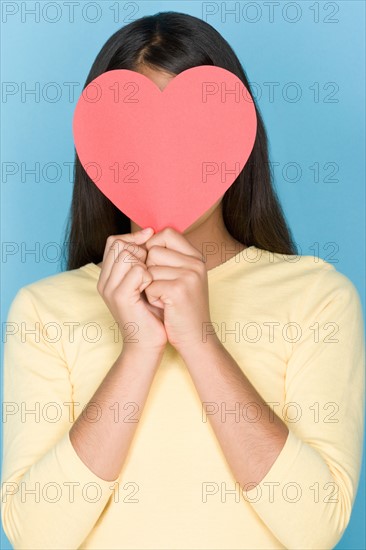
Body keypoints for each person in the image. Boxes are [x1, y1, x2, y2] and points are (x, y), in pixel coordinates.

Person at [1, 11, 364, 550]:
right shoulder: (43, 310)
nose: (164, 160)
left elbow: (314, 529)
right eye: (135, 138)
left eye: (192, 136)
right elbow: (37, 537)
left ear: (237, 145)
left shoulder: (318, 299)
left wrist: (199, 340)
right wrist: (137, 352)